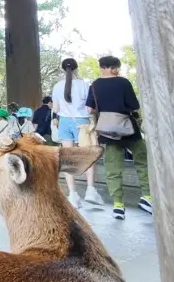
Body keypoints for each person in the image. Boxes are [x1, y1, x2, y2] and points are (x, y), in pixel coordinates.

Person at [86, 55, 152, 220]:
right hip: (128, 128)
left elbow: (90, 109)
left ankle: (118, 205)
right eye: (117, 68)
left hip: (108, 131)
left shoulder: (94, 85)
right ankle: (147, 197)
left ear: (101, 67)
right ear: (113, 68)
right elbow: (134, 105)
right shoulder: (123, 82)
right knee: (143, 161)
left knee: (113, 168)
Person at [51, 58, 104, 208]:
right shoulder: (84, 85)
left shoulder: (57, 86)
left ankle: (73, 195)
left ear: (63, 69)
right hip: (83, 123)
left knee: (68, 159)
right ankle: (90, 190)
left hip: (65, 122)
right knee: (87, 156)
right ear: (76, 69)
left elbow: (55, 109)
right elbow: (90, 109)